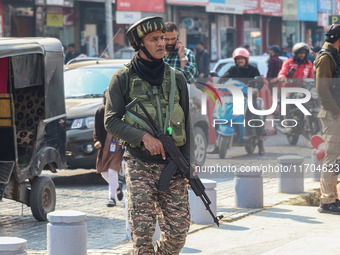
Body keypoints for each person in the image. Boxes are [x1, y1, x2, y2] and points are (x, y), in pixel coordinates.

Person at [104, 16, 193, 253]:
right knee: (142, 234)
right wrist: (143, 137)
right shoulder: (122, 78)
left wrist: (189, 163)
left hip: (173, 165)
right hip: (139, 163)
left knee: (179, 231)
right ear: (140, 44)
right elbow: (111, 121)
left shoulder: (177, 78)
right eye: (154, 39)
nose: (162, 43)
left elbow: (187, 123)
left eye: (163, 38)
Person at [219, 47, 265, 155]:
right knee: (222, 114)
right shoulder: (232, 69)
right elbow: (223, 78)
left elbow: (260, 81)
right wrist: (219, 84)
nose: (240, 60)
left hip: (249, 97)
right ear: (235, 60)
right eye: (238, 58)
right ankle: (218, 143)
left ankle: (260, 142)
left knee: (256, 115)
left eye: (242, 58)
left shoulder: (252, 69)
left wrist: (256, 89)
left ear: (246, 59)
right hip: (234, 97)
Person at [314, 24, 340, 214]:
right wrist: (335, 110)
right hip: (333, 114)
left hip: (336, 112)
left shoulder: (334, 55)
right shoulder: (325, 57)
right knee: (331, 157)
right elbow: (322, 89)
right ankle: (326, 200)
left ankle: (333, 197)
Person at [94, 90, 123, 207]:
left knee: (112, 171)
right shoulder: (101, 111)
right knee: (104, 172)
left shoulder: (120, 110)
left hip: (118, 144)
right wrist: (97, 141)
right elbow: (97, 128)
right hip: (105, 145)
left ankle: (112, 198)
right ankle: (117, 188)